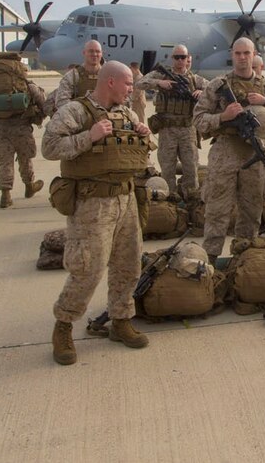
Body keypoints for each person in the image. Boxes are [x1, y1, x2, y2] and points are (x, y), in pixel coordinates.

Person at [43, 61, 154, 366]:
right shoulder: (76, 112)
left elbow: (145, 147)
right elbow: (50, 147)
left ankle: (121, 320)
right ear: (110, 82)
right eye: (128, 83)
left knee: (128, 264)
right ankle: (63, 326)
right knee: (88, 268)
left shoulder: (126, 112)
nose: (131, 89)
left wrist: (144, 133)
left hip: (126, 198)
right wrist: (88, 137)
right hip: (93, 203)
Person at [193, 38, 265, 259]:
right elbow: (198, 119)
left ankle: (244, 260)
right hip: (225, 151)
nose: (242, 58)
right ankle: (210, 261)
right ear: (232, 54)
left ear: (254, 54)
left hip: (255, 155)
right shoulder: (217, 85)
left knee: (252, 210)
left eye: (246, 53)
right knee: (217, 210)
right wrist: (223, 117)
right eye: (238, 53)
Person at [134, 45, 206, 198]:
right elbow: (140, 83)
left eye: (183, 57)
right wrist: (159, 83)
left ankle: (191, 202)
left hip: (188, 130)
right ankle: (170, 202)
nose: (180, 60)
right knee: (167, 169)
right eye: (176, 57)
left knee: (191, 169)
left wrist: (202, 92)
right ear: (172, 58)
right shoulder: (162, 75)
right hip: (167, 130)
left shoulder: (194, 79)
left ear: (188, 59)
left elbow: (214, 89)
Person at [0, 52, 48, 208]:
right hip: (21, 128)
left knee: (5, 162)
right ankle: (29, 186)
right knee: (25, 158)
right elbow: (44, 102)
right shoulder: (26, 85)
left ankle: (5, 194)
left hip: (0, 127)